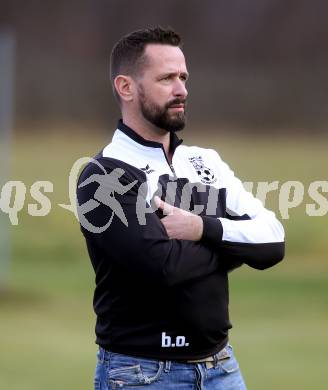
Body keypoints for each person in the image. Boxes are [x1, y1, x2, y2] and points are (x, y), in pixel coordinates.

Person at [76, 26, 285, 390]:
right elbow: (163, 267)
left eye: (183, 77)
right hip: (141, 374)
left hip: (222, 368)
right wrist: (234, 245)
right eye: (166, 78)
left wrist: (203, 229)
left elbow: (272, 243)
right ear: (126, 87)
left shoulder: (206, 162)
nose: (181, 89)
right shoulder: (103, 175)